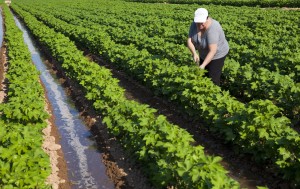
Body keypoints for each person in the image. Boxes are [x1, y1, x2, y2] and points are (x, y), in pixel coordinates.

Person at [187, 8, 229, 86]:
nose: (200, 25)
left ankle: (214, 92)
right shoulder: (194, 24)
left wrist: (203, 65)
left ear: (207, 18)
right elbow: (189, 41)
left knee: (213, 77)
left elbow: (213, 51)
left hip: (217, 54)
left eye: (202, 22)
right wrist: (194, 53)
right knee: (203, 74)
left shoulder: (213, 27)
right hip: (203, 52)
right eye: (198, 23)